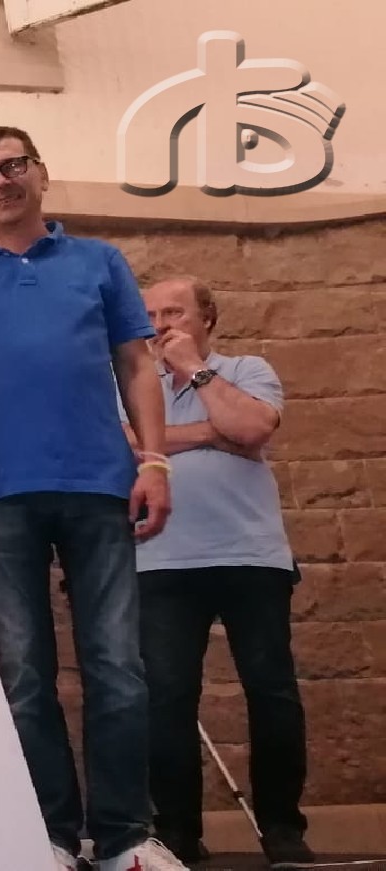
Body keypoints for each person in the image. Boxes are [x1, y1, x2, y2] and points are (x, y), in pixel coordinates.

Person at [0, 125, 185, 871]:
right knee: (23, 676)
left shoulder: (101, 262)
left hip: (100, 487)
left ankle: (125, 838)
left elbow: (136, 365)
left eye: (11, 166)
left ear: (39, 172)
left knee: (118, 669)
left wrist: (156, 461)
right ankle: (53, 836)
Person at [134, 276, 314, 867]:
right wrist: (214, 434)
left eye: (174, 312)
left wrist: (194, 371)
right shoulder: (133, 382)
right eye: (151, 314)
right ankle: (178, 832)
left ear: (207, 318)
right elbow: (124, 443)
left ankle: (282, 828)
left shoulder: (246, 369)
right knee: (167, 699)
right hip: (161, 559)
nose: (160, 325)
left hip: (251, 555)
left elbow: (254, 428)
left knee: (271, 691)